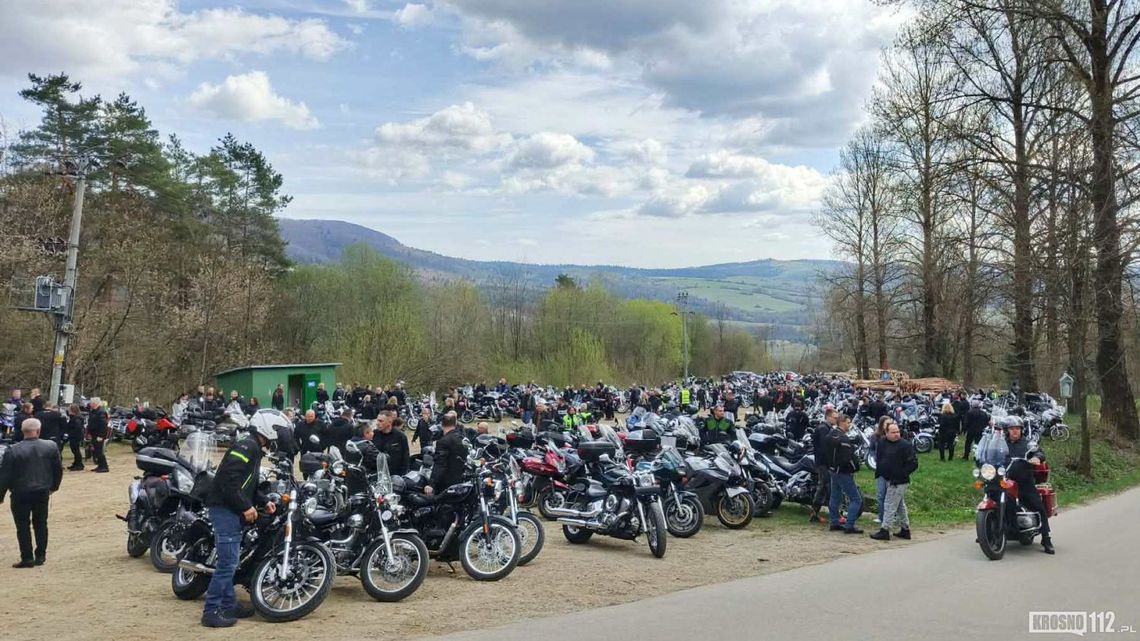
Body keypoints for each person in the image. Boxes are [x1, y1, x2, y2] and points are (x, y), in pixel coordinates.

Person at [201, 415, 278, 627]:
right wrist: (245, 505)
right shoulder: (246, 446)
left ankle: (228, 605)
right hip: (225, 509)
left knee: (231, 562)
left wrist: (263, 501)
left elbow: (246, 485)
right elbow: (228, 480)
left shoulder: (252, 446)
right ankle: (211, 611)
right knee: (227, 563)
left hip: (229, 507)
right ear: (268, 429)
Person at [0, 419, 63, 568]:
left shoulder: (12, 450)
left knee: (22, 525)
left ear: (23, 432)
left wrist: (1, 495)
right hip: (42, 491)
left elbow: (5, 475)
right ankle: (41, 555)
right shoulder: (51, 446)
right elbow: (58, 470)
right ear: (39, 431)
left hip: (20, 492)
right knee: (41, 523)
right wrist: (54, 486)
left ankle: (27, 557)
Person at [1004, 418, 1054, 554]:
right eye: (1011, 428)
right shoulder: (1001, 444)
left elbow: (1039, 452)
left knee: (1038, 506)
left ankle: (1046, 538)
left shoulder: (1027, 444)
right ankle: (989, 530)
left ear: (1021, 430)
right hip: (1004, 482)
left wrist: (1037, 457)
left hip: (1024, 483)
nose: (1015, 431)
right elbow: (990, 454)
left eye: (1017, 428)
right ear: (1007, 431)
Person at [871, 421, 917, 541]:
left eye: (898, 432)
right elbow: (880, 457)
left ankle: (885, 530)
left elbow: (913, 463)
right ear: (886, 433)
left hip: (899, 481)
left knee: (889, 504)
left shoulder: (905, 445)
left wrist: (901, 474)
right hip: (886, 477)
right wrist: (880, 471)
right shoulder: (882, 442)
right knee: (900, 506)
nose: (896, 434)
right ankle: (905, 529)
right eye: (893, 432)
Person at [826, 413, 863, 534]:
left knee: (835, 496)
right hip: (843, 472)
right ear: (842, 423)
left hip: (832, 470)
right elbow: (847, 459)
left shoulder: (830, 434)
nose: (850, 425)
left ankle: (834, 521)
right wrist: (853, 468)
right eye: (848, 422)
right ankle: (849, 525)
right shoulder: (844, 439)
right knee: (856, 499)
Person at [424, 413, 467, 497]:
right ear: (455, 423)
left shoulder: (443, 442)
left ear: (442, 424)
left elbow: (440, 464)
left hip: (446, 482)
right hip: (461, 479)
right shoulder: (462, 438)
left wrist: (431, 484)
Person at [808, 410, 837, 524]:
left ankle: (816, 511)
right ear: (828, 417)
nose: (836, 419)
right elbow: (826, 447)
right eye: (834, 417)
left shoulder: (827, 428)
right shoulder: (823, 428)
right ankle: (814, 511)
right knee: (823, 485)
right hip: (823, 462)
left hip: (824, 461)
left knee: (824, 486)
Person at [372, 412, 410, 476]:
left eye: (381, 421)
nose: (377, 423)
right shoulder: (374, 434)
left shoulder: (400, 436)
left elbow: (405, 457)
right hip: (377, 474)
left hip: (394, 475)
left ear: (389, 422)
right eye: (377, 420)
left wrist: (403, 475)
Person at [871, 416, 891, 524]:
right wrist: (875, 458)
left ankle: (890, 516)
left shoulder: (892, 436)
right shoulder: (876, 436)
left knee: (890, 494)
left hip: (891, 469)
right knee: (880, 494)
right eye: (886, 424)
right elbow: (872, 449)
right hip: (880, 468)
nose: (888, 426)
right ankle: (881, 516)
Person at [87, 398, 110, 473]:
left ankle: (104, 466)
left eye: (91, 403)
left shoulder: (101, 412)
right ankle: (100, 465)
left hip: (99, 435)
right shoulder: (92, 411)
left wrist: (101, 435)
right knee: (96, 451)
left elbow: (103, 425)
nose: (90, 404)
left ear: (95, 403)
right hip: (93, 434)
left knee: (99, 451)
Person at [64, 404, 85, 470]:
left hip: (75, 436)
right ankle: (76, 463)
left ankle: (79, 464)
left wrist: (71, 434)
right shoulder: (74, 417)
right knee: (75, 450)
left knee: (76, 450)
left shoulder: (76, 418)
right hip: (75, 436)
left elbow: (77, 428)